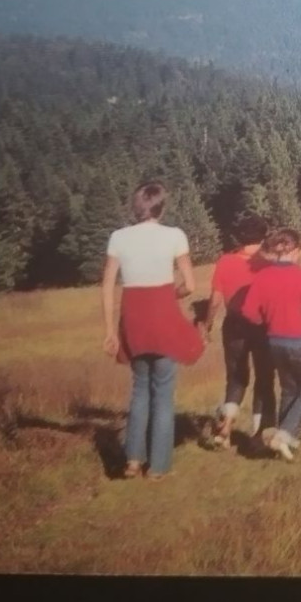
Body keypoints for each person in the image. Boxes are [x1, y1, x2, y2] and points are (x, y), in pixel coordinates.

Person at [101, 181, 205, 481]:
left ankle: (132, 460)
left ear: (137, 206)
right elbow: (190, 285)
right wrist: (172, 295)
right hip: (162, 315)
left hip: (133, 318)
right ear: (161, 206)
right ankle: (157, 467)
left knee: (140, 390)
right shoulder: (174, 236)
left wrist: (110, 330)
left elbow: (108, 285)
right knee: (163, 394)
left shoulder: (118, 237)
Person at [238, 229, 301, 462]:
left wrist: (266, 321)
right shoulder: (299, 275)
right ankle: (286, 434)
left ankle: (283, 445)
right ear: (293, 249)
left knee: (290, 390)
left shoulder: (262, 277)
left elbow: (248, 312)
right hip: (299, 341)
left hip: (275, 342)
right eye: (300, 250)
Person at [203, 212, 276, 450]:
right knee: (264, 380)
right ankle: (258, 435)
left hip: (234, 324)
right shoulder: (269, 262)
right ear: (264, 235)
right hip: (262, 325)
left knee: (236, 378)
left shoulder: (225, 261)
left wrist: (208, 324)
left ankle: (225, 429)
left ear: (240, 237)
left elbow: (215, 299)